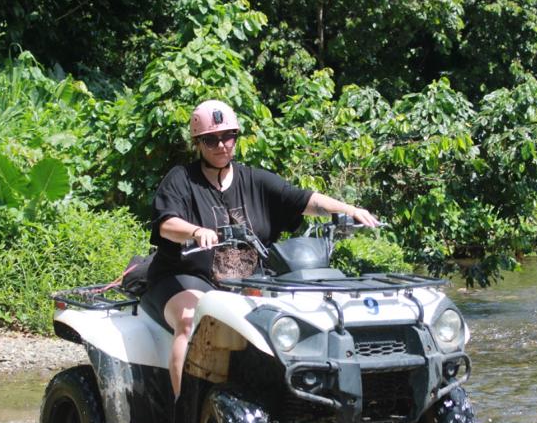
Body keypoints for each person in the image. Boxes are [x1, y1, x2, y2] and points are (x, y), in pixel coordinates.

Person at [144, 99, 379, 397]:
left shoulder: (254, 179)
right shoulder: (181, 179)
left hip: (248, 282)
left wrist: (348, 209)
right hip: (186, 278)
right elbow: (167, 224)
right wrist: (195, 231)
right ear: (198, 143)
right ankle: (185, 417)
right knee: (192, 322)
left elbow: (305, 199)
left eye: (228, 136)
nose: (221, 145)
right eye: (211, 139)